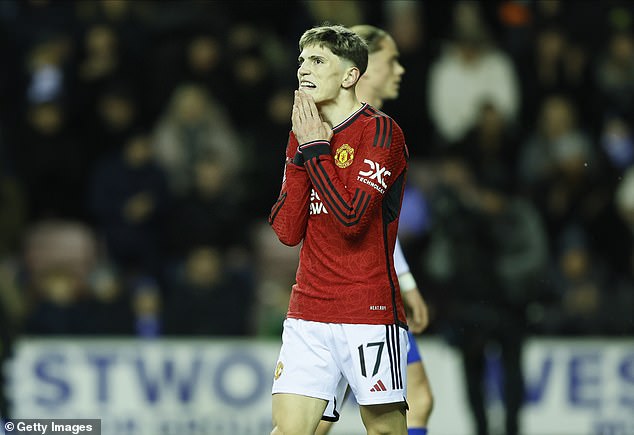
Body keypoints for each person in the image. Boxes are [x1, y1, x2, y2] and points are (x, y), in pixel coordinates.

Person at [268, 24, 410, 435]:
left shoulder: (381, 132)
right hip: (308, 310)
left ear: (349, 76)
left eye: (317, 60)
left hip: (367, 310)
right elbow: (287, 230)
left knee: (384, 430)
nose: (303, 70)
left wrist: (315, 150)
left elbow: (351, 220)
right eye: (301, 61)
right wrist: (303, 149)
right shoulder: (303, 134)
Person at [315, 24, 434, 435]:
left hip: (361, 289)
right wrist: (404, 280)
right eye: (391, 59)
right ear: (362, 68)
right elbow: (351, 220)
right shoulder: (350, 129)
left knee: (414, 400)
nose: (399, 70)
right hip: (356, 293)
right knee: (312, 422)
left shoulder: (376, 126)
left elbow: (379, 221)